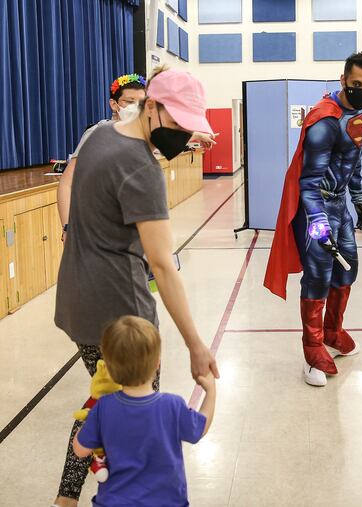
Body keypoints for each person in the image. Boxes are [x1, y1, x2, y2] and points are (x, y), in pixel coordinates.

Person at [52, 66, 219, 507]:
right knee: (132, 410)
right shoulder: (142, 171)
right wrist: (196, 345)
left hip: (77, 300)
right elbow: (162, 266)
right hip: (121, 310)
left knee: (103, 401)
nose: (183, 136)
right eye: (179, 124)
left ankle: (68, 496)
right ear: (152, 107)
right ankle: (133, 493)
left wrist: (185, 135)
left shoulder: (98, 136)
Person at [264, 51, 362, 387]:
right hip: (316, 207)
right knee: (318, 275)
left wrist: (359, 201)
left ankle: (332, 331)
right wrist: (318, 222)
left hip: (340, 205)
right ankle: (312, 348)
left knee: (347, 268)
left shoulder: (361, 115)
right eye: (356, 83)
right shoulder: (323, 120)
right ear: (343, 80)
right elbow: (308, 183)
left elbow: (353, 165)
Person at [73, 316, 216, 506]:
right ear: (157, 363)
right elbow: (201, 427)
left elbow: (80, 450)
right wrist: (211, 393)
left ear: (108, 368)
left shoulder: (104, 407)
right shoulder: (172, 405)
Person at [57, 74, 217, 243]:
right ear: (114, 104)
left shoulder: (142, 132)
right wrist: (67, 227)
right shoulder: (97, 133)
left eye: (140, 102)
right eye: (129, 101)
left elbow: (167, 133)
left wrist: (198, 134)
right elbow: (67, 183)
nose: (135, 107)